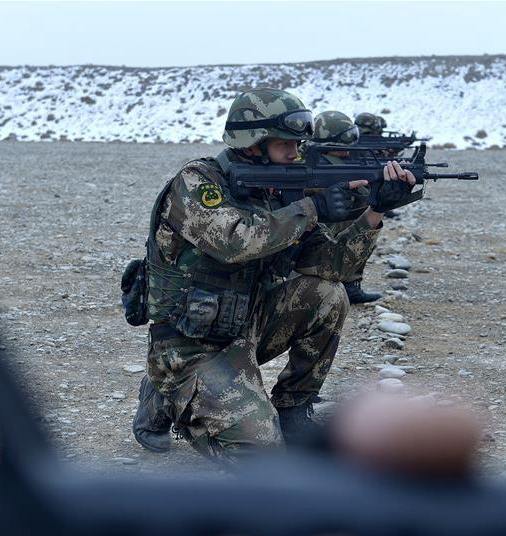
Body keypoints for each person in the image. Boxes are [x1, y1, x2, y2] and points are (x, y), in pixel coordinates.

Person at [131, 88, 415, 461]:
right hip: (190, 346)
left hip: (245, 327)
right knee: (262, 458)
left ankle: (293, 410)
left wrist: (374, 212)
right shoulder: (198, 183)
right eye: (286, 145)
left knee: (327, 296)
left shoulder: (275, 192)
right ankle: (169, 393)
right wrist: (312, 207)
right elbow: (235, 241)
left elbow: (330, 267)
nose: (296, 154)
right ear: (254, 142)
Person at [307, 110, 382, 304]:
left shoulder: (331, 161)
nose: (348, 151)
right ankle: (342, 284)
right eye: (343, 146)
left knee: (365, 217)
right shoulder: (312, 163)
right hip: (310, 241)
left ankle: (349, 284)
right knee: (360, 221)